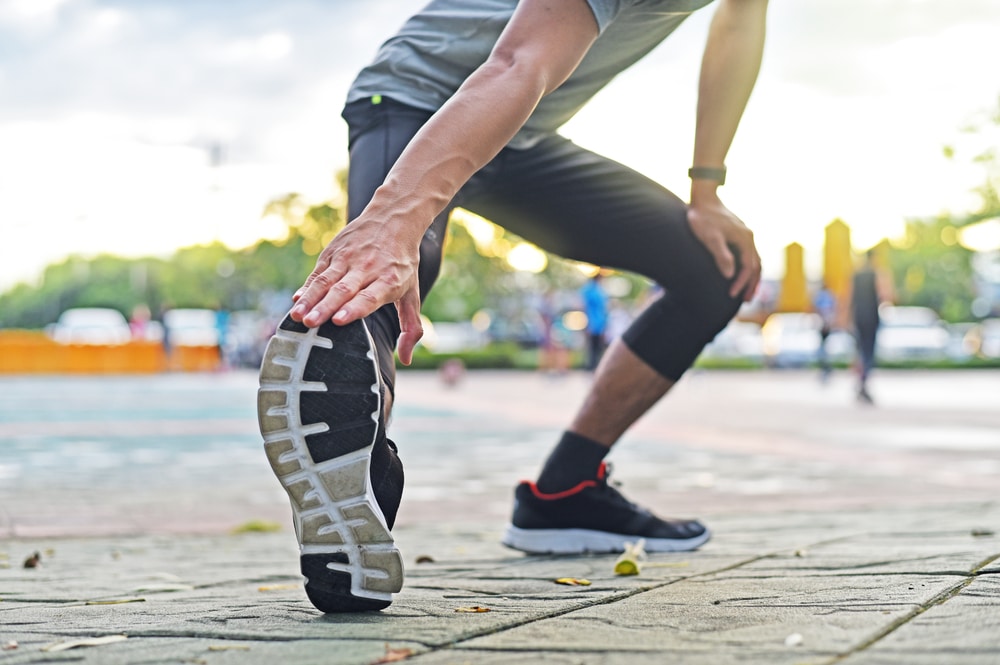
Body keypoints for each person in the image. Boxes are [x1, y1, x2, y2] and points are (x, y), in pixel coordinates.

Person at [257, 0, 766, 613]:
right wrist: (395, 221)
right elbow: (519, 60)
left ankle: (566, 492)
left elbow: (741, 18)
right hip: (423, 93)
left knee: (715, 273)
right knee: (397, 260)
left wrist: (706, 190)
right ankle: (353, 468)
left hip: (521, 137)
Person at [850, 249, 882, 404]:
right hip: (871, 317)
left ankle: (860, 381)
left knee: (860, 351)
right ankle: (863, 383)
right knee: (868, 352)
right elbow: (886, 294)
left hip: (858, 317)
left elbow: (849, 296)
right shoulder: (876, 274)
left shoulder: (856, 275)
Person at [580, 273, 610, 370]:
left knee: (593, 347)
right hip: (595, 323)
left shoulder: (592, 290)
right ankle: (594, 366)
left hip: (595, 323)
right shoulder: (597, 291)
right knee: (596, 347)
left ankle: (593, 366)